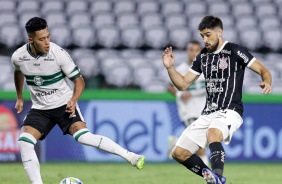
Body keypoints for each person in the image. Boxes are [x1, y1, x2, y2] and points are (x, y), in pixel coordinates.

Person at [12, 17, 145, 184]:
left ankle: (130, 156)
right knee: (24, 142)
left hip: (64, 104)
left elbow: (79, 81)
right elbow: (18, 72)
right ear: (31, 40)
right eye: (41, 39)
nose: (47, 42)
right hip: (40, 108)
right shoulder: (19, 57)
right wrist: (19, 97)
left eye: (48, 36)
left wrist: (74, 100)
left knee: (83, 137)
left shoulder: (58, 54)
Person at [162, 15, 272, 184]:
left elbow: (263, 69)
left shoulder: (235, 51)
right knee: (179, 153)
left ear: (219, 32)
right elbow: (182, 84)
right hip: (208, 113)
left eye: (208, 35)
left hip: (230, 110)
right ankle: (212, 178)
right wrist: (170, 68)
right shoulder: (202, 57)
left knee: (213, 134)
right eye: (202, 36)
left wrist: (267, 81)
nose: (205, 40)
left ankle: (218, 179)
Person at [167, 40, 209, 166]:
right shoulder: (181, 69)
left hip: (204, 109)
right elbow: (169, 86)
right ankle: (209, 173)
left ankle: (176, 142)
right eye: (191, 50)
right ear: (187, 51)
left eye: (197, 50)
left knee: (204, 140)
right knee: (199, 143)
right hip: (188, 110)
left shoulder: (207, 69)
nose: (194, 53)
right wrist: (180, 94)